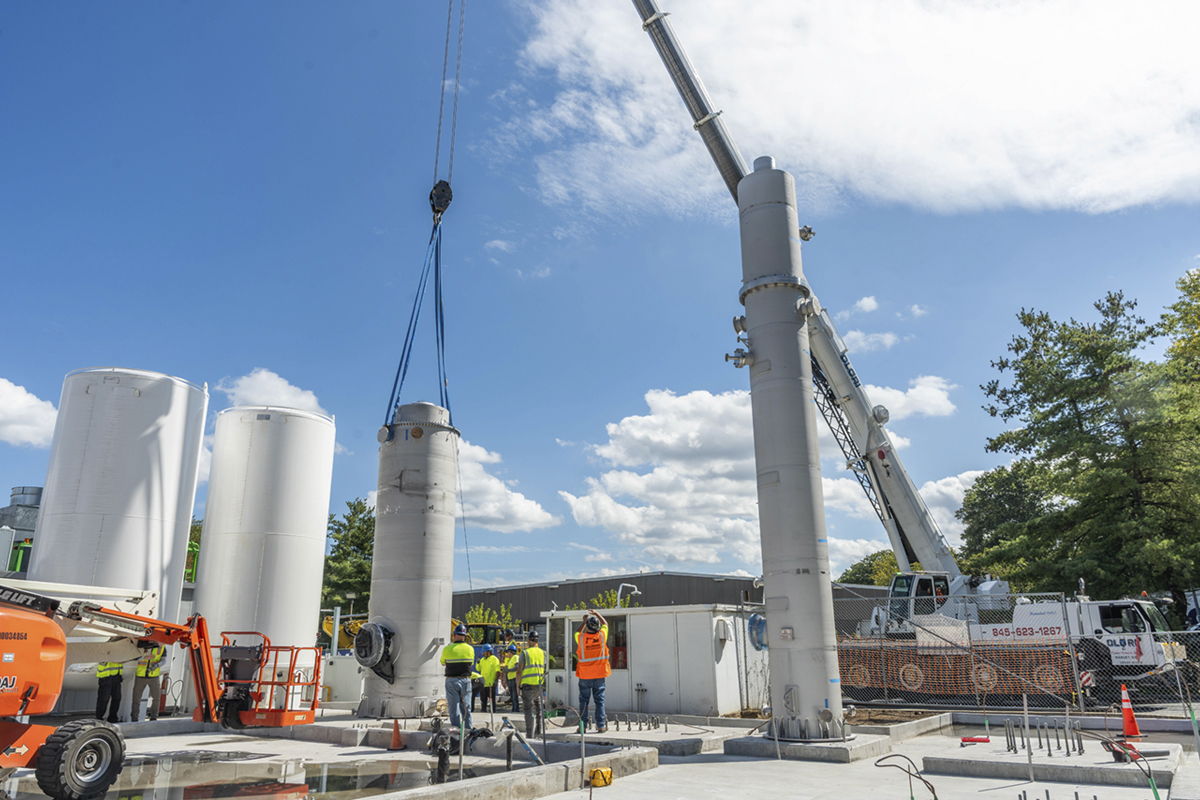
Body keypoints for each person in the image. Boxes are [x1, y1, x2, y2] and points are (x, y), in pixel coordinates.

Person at [575, 609, 611, 733]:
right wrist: (597, 614)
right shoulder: (602, 636)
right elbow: (606, 624)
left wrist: (583, 622)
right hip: (600, 674)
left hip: (585, 675)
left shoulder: (580, 638)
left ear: (588, 626)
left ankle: (582, 726)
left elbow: (577, 632)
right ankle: (601, 725)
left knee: (583, 701)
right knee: (599, 700)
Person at [439, 623, 475, 732]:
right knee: (466, 709)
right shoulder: (470, 649)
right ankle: (468, 732)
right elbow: (471, 663)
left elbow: (443, 663)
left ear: (454, 635)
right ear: (465, 636)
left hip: (452, 680)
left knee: (454, 709)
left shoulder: (447, 649)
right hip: (465, 680)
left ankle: (455, 732)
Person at [516, 630, 546, 737]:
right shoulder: (543, 653)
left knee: (528, 710)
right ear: (537, 641)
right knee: (539, 710)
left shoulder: (525, 653)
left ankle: (529, 735)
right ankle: (539, 733)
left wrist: (517, 686)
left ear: (528, 640)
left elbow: (519, 671)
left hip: (527, 686)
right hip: (538, 686)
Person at [130, 644, 166, 722]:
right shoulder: (143, 645)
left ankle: (154, 717)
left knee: (156, 698)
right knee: (136, 698)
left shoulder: (162, 647)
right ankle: (134, 717)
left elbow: (164, 660)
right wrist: (145, 658)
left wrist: (157, 665)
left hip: (154, 676)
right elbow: (134, 657)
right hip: (141, 675)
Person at [477, 644, 501, 712]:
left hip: (491, 683)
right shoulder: (482, 660)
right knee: (483, 699)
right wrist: (477, 662)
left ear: (488, 652)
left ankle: (493, 711)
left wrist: (496, 680)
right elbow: (478, 669)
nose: (483, 654)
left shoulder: (494, 659)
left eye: (484, 652)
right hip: (483, 684)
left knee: (492, 699)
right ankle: (483, 710)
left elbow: (497, 671)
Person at [504, 643, 521, 712]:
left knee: (514, 696)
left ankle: (516, 709)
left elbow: (517, 667)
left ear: (511, 652)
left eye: (508, 652)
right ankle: (514, 708)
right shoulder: (510, 659)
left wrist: (509, 670)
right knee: (512, 695)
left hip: (514, 679)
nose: (507, 654)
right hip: (510, 680)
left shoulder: (515, 657)